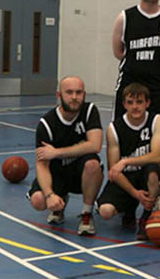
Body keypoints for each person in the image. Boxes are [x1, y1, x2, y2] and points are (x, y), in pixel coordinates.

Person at [28, 76, 103, 236]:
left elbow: (95, 145)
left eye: (79, 92)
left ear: (84, 94)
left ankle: (86, 214)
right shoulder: (47, 124)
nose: (74, 97)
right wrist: (49, 195)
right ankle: (59, 201)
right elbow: (42, 165)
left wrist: (57, 152)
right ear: (59, 95)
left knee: (93, 164)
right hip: (57, 173)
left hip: (80, 173)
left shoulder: (89, 111)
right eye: (69, 92)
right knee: (38, 201)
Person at [98, 83, 160, 240]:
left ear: (147, 103)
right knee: (106, 211)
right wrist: (135, 194)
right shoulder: (114, 128)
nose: (135, 107)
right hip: (126, 179)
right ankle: (128, 208)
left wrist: (126, 161)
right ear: (124, 104)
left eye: (139, 102)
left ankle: (147, 215)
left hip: (146, 175)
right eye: (130, 102)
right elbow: (114, 171)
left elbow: (157, 156)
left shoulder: (156, 120)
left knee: (153, 172)